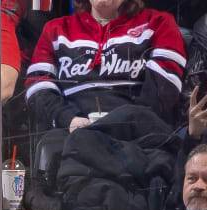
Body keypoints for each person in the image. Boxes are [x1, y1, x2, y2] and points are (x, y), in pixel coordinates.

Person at [26, 0, 185, 132]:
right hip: (74, 139)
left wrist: (126, 124)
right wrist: (68, 119)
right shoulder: (56, 29)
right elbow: (38, 85)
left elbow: (166, 87)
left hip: (139, 141)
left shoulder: (158, 23)